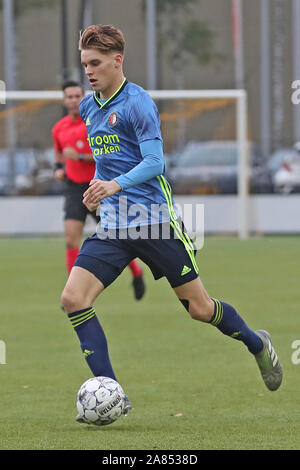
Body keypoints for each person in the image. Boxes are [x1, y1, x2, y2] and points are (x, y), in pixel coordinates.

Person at [60, 24, 283, 420]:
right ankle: (113, 394)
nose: (89, 72)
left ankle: (257, 343)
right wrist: (99, 185)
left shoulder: (138, 103)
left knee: (199, 309)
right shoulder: (88, 107)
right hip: (113, 224)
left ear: (117, 60)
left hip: (154, 223)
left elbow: (155, 163)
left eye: (95, 63)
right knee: (73, 299)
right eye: (84, 64)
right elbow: (108, 159)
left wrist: (113, 184)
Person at [51, 80, 145, 300]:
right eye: (69, 97)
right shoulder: (59, 127)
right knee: (71, 239)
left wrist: (81, 157)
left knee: (116, 236)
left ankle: (137, 273)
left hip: (99, 187)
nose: (74, 100)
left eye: (77, 96)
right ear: (64, 101)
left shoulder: (94, 121)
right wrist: (58, 168)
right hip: (75, 188)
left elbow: (108, 153)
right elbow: (58, 152)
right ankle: (73, 292)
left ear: (83, 97)